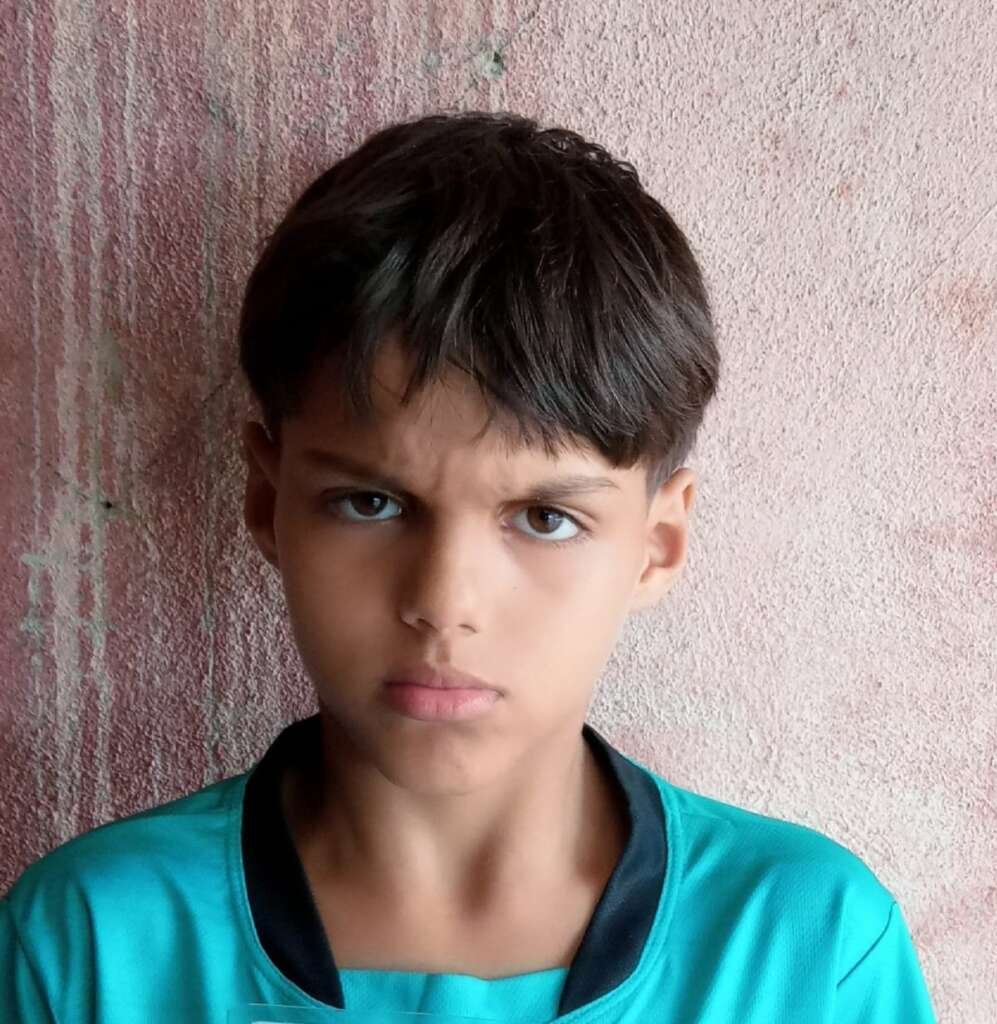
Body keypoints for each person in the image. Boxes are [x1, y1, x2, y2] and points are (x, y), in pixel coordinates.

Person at [1, 109, 937, 1023]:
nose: (443, 603)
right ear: (266, 502)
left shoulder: (807, 948)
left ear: (657, 545)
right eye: (370, 503)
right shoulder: (88, 948)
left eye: (545, 518)